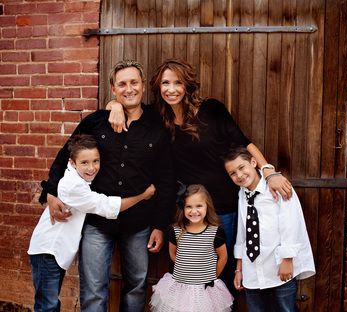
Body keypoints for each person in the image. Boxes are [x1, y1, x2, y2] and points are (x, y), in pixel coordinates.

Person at [107, 58, 293, 295]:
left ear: (187, 86)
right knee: (190, 273)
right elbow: (126, 102)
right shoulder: (157, 116)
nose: (171, 89)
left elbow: (243, 142)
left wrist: (268, 171)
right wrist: (114, 104)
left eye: (178, 83)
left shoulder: (211, 109)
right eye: (165, 83)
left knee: (221, 275)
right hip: (189, 210)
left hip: (222, 207)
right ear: (157, 86)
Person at [39, 60, 177, 312]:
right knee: (93, 289)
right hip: (97, 223)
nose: (129, 89)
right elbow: (65, 155)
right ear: (113, 89)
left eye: (134, 82)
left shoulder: (157, 127)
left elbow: (167, 180)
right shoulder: (97, 122)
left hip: (138, 223)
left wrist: (159, 225)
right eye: (122, 84)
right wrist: (50, 191)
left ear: (143, 86)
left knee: (136, 286)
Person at [28, 134, 155, 312]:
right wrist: (143, 195)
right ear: (72, 163)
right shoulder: (74, 186)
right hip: (48, 251)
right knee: (46, 306)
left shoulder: (79, 178)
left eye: (96, 161)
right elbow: (107, 206)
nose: (92, 168)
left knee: (49, 304)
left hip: (54, 252)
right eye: (85, 163)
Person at [223, 146, 315, 312]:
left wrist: (287, 259)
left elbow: (291, 224)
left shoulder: (278, 187)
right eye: (233, 173)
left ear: (253, 162)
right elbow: (242, 233)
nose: (239, 175)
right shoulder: (242, 194)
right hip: (253, 270)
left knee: (286, 309)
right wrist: (239, 268)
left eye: (242, 167)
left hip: (278, 266)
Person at [150, 184, 233, 312]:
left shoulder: (215, 232)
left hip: (205, 289)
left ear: (207, 206)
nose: (194, 211)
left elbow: (223, 257)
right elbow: (173, 253)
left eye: (199, 206)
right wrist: (185, 267)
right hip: (180, 288)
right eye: (189, 206)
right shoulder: (176, 230)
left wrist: (212, 276)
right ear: (182, 208)